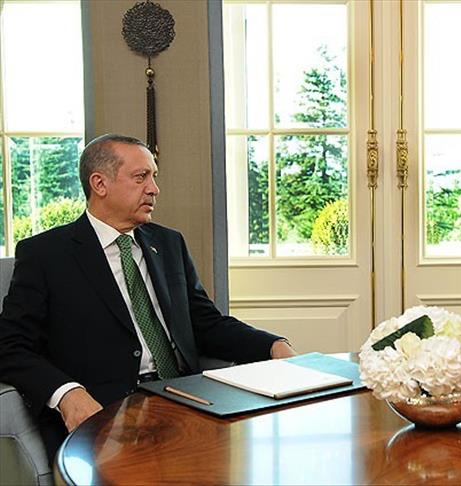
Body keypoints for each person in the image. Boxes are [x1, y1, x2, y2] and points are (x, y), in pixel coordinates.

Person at [0, 134, 296, 459]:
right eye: (141, 177)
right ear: (100, 184)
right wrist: (67, 394)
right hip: (105, 413)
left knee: (262, 453)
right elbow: (10, 345)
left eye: (153, 177)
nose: (154, 189)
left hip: (187, 401)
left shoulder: (169, 243)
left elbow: (206, 324)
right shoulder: (46, 255)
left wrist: (272, 345)